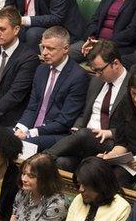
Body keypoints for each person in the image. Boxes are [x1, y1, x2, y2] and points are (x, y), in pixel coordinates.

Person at [46, 40, 130, 172]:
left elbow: (134, 127)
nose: (96, 75)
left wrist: (111, 133)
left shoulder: (132, 87)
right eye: (94, 70)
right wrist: (77, 127)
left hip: (109, 142)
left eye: (100, 70)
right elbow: (84, 111)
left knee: (84, 134)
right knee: (61, 163)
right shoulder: (97, 81)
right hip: (82, 141)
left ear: (116, 64)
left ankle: (44, 157)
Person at [13, 25, 89, 149]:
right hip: (32, 129)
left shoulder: (78, 76)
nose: (44, 53)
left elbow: (65, 121)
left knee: (24, 145)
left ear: (65, 49)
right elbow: (32, 107)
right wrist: (21, 128)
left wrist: (30, 133)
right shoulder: (41, 70)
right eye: (43, 47)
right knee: (1, 136)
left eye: (50, 48)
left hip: (56, 134)